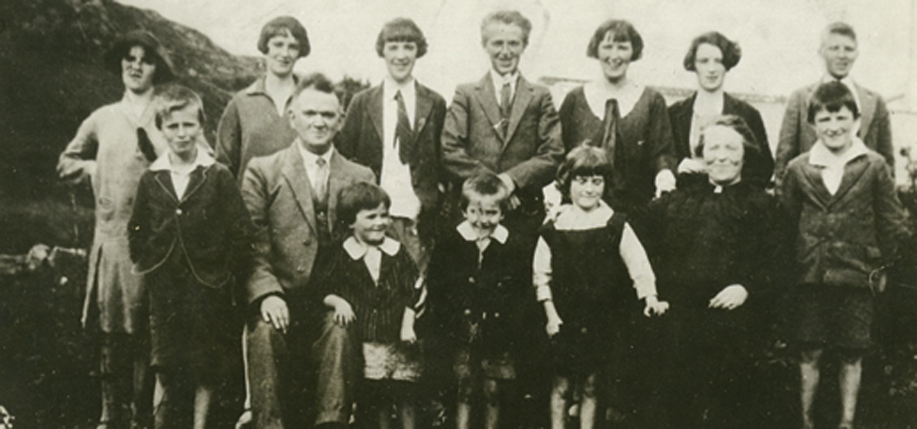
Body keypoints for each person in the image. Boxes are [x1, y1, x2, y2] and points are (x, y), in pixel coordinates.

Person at [240, 73, 375, 429]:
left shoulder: (360, 175)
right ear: (293, 117)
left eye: (328, 115)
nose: (319, 122)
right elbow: (252, 244)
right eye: (310, 113)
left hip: (333, 300)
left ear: (341, 120)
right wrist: (267, 294)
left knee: (341, 331)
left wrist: (345, 294)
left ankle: (332, 423)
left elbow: (366, 244)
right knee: (265, 333)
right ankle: (266, 424)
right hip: (280, 295)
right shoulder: (263, 171)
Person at [57, 30, 176, 429]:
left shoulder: (168, 114)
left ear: (156, 67)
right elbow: (66, 161)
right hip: (113, 236)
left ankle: (143, 416)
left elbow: (199, 158)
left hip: (157, 240)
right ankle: (110, 415)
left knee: (147, 332)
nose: (136, 66)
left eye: (145, 59)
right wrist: (93, 170)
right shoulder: (103, 117)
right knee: (112, 332)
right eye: (130, 58)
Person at [780, 82, 908, 429]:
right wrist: (792, 267)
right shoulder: (798, 168)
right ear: (812, 124)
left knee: (852, 351)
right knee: (811, 350)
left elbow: (892, 221)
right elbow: (786, 224)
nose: (833, 126)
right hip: (811, 275)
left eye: (840, 117)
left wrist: (882, 267)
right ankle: (806, 421)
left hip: (857, 275)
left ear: (855, 119)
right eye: (824, 118)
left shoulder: (874, 164)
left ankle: (846, 423)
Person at [127, 86, 254, 429]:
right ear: (161, 129)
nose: (181, 134)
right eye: (172, 127)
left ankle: (200, 425)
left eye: (188, 125)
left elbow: (241, 232)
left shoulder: (217, 176)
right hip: (165, 289)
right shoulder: (152, 179)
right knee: (164, 363)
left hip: (207, 288)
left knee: (205, 366)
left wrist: (222, 272)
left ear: (201, 126)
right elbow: (136, 231)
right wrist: (153, 268)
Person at [647, 115, 784, 428]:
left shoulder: (763, 205)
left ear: (745, 154)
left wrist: (746, 288)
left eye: (730, 148)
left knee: (733, 403)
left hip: (737, 320)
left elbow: (775, 262)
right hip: (683, 318)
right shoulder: (677, 201)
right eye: (713, 147)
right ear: (700, 154)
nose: (721, 155)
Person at [533, 145, 668, 429]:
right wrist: (551, 315)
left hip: (599, 318)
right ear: (567, 182)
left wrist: (650, 296)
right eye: (581, 181)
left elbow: (638, 263)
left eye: (597, 181)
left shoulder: (614, 223)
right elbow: (541, 275)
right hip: (562, 317)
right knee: (562, 385)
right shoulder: (554, 225)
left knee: (592, 385)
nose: (589, 189)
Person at [441, 9, 564, 237]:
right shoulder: (466, 94)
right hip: (473, 215)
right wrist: (496, 187)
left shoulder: (540, 95)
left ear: (524, 46)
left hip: (524, 213)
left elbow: (553, 153)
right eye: (497, 43)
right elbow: (450, 151)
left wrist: (512, 180)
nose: (505, 52)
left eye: (513, 44)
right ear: (485, 45)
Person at [337, 17, 447, 270]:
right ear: (382, 51)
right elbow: (344, 157)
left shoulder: (435, 103)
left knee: (415, 288)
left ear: (418, 51)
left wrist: (433, 202)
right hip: (372, 217)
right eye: (393, 47)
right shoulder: (362, 102)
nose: (401, 56)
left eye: (408, 47)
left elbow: (443, 160)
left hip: (416, 219)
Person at [426, 173, 532, 429]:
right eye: (475, 211)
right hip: (461, 331)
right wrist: (458, 322)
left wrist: (502, 326)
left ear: (503, 214)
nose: (483, 220)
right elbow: (439, 288)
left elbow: (520, 293)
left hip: (499, 333)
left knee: (493, 389)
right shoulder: (450, 242)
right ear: (463, 210)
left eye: (491, 213)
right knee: (464, 387)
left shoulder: (515, 246)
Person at [318, 182, 424, 429]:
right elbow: (322, 289)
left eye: (384, 215)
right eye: (371, 216)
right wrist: (338, 301)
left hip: (399, 337)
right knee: (377, 397)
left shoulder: (397, 252)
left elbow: (413, 290)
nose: (380, 222)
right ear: (350, 222)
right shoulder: (342, 254)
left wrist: (408, 325)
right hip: (367, 340)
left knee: (405, 392)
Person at [557, 19, 676, 212]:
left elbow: (662, 151)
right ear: (596, 50)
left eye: (622, 47)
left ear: (633, 51)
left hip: (634, 208)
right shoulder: (575, 99)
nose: (614, 56)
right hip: (579, 207)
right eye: (607, 47)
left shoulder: (651, 101)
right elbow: (558, 151)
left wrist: (664, 175)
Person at [774, 22, 894, 187]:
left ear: (857, 54)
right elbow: (784, 160)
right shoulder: (800, 98)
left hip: (862, 203)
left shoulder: (874, 102)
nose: (842, 55)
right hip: (814, 199)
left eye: (848, 49)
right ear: (821, 52)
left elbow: (887, 163)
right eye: (834, 48)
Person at [667, 31, 774, 189]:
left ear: (727, 65)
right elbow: (660, 159)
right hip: (685, 203)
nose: (712, 69)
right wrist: (676, 167)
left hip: (732, 205)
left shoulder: (748, 114)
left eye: (718, 61)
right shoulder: (674, 113)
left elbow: (764, 169)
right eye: (704, 61)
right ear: (694, 65)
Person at [217, 16, 310, 181]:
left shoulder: (311, 100)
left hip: (302, 203)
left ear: (300, 52)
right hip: (250, 202)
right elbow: (224, 166)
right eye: (278, 44)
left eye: (293, 47)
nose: (285, 53)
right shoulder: (241, 102)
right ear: (265, 47)